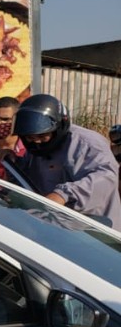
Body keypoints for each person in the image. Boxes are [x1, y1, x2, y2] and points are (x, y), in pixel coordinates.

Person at [13, 94, 121, 230]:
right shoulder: (35, 150)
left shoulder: (87, 144)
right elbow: (26, 180)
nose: (36, 142)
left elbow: (106, 177)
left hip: (96, 233)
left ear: (58, 128)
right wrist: (12, 162)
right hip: (54, 230)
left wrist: (63, 194)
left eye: (42, 136)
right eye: (29, 137)